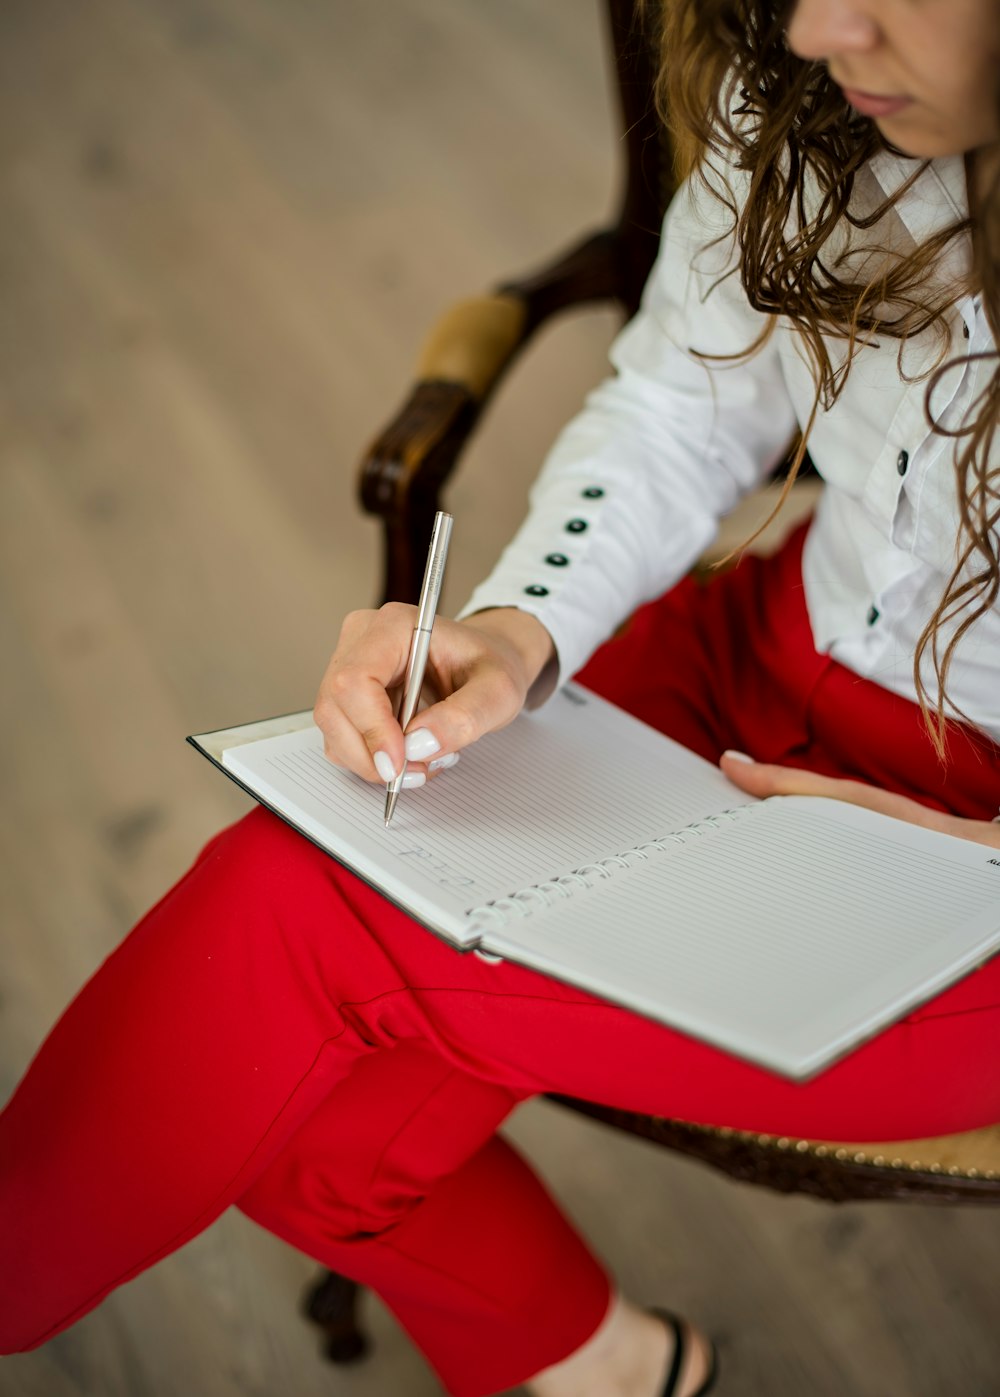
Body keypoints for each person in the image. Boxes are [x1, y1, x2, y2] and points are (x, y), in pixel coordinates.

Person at [2, 1, 999, 1394]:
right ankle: (608, 1363)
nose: (824, 24)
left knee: (297, 930)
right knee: (313, 1127)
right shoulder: (814, 83)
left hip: (976, 872)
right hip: (758, 659)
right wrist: (523, 627)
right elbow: (677, 403)